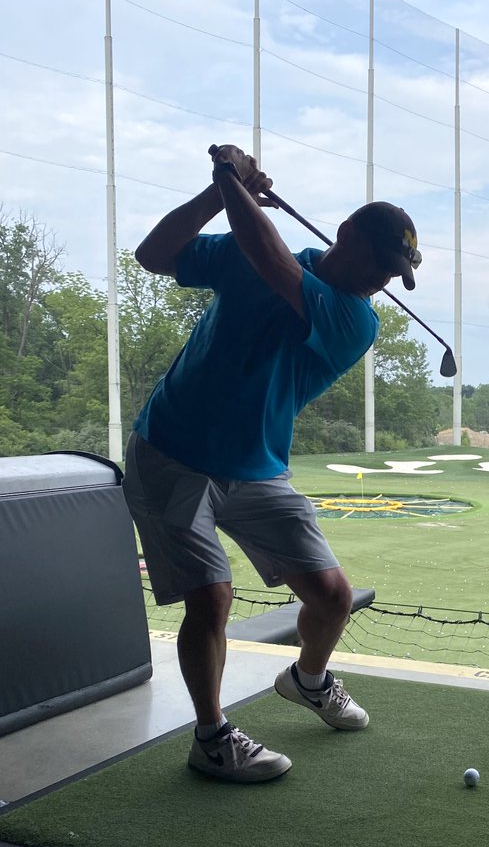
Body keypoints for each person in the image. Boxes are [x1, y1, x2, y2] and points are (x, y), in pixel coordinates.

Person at [123, 143, 421, 784]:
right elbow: (153, 256)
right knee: (211, 597)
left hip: (256, 467)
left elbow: (273, 259)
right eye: (383, 262)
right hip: (172, 454)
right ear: (345, 236)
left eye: (397, 274)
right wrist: (216, 194)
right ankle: (210, 737)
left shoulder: (355, 320)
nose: (384, 282)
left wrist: (229, 180)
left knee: (333, 596)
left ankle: (307, 679)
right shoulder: (245, 247)